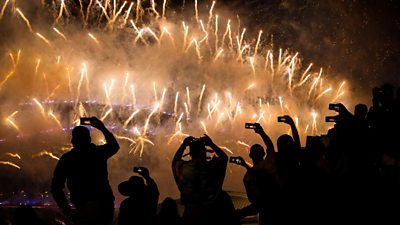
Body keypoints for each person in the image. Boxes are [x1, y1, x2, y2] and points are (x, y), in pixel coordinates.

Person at [51, 116, 120, 225]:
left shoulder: (68, 158)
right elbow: (114, 146)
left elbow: (56, 187)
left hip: (83, 204)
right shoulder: (98, 153)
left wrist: (67, 210)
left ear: (73, 141)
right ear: (89, 139)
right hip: (104, 203)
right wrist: (102, 128)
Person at [172, 134, 240, 225]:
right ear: (204, 152)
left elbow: (175, 162)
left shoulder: (184, 169)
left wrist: (183, 145)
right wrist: (211, 144)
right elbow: (224, 158)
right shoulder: (212, 167)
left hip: (191, 217)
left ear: (191, 154)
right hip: (212, 216)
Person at [234, 123, 281, 225]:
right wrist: (261, 132)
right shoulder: (270, 164)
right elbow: (270, 145)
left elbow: (255, 200)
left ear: (250, 155)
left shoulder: (248, 177)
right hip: (279, 207)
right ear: (264, 154)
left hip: (265, 212)